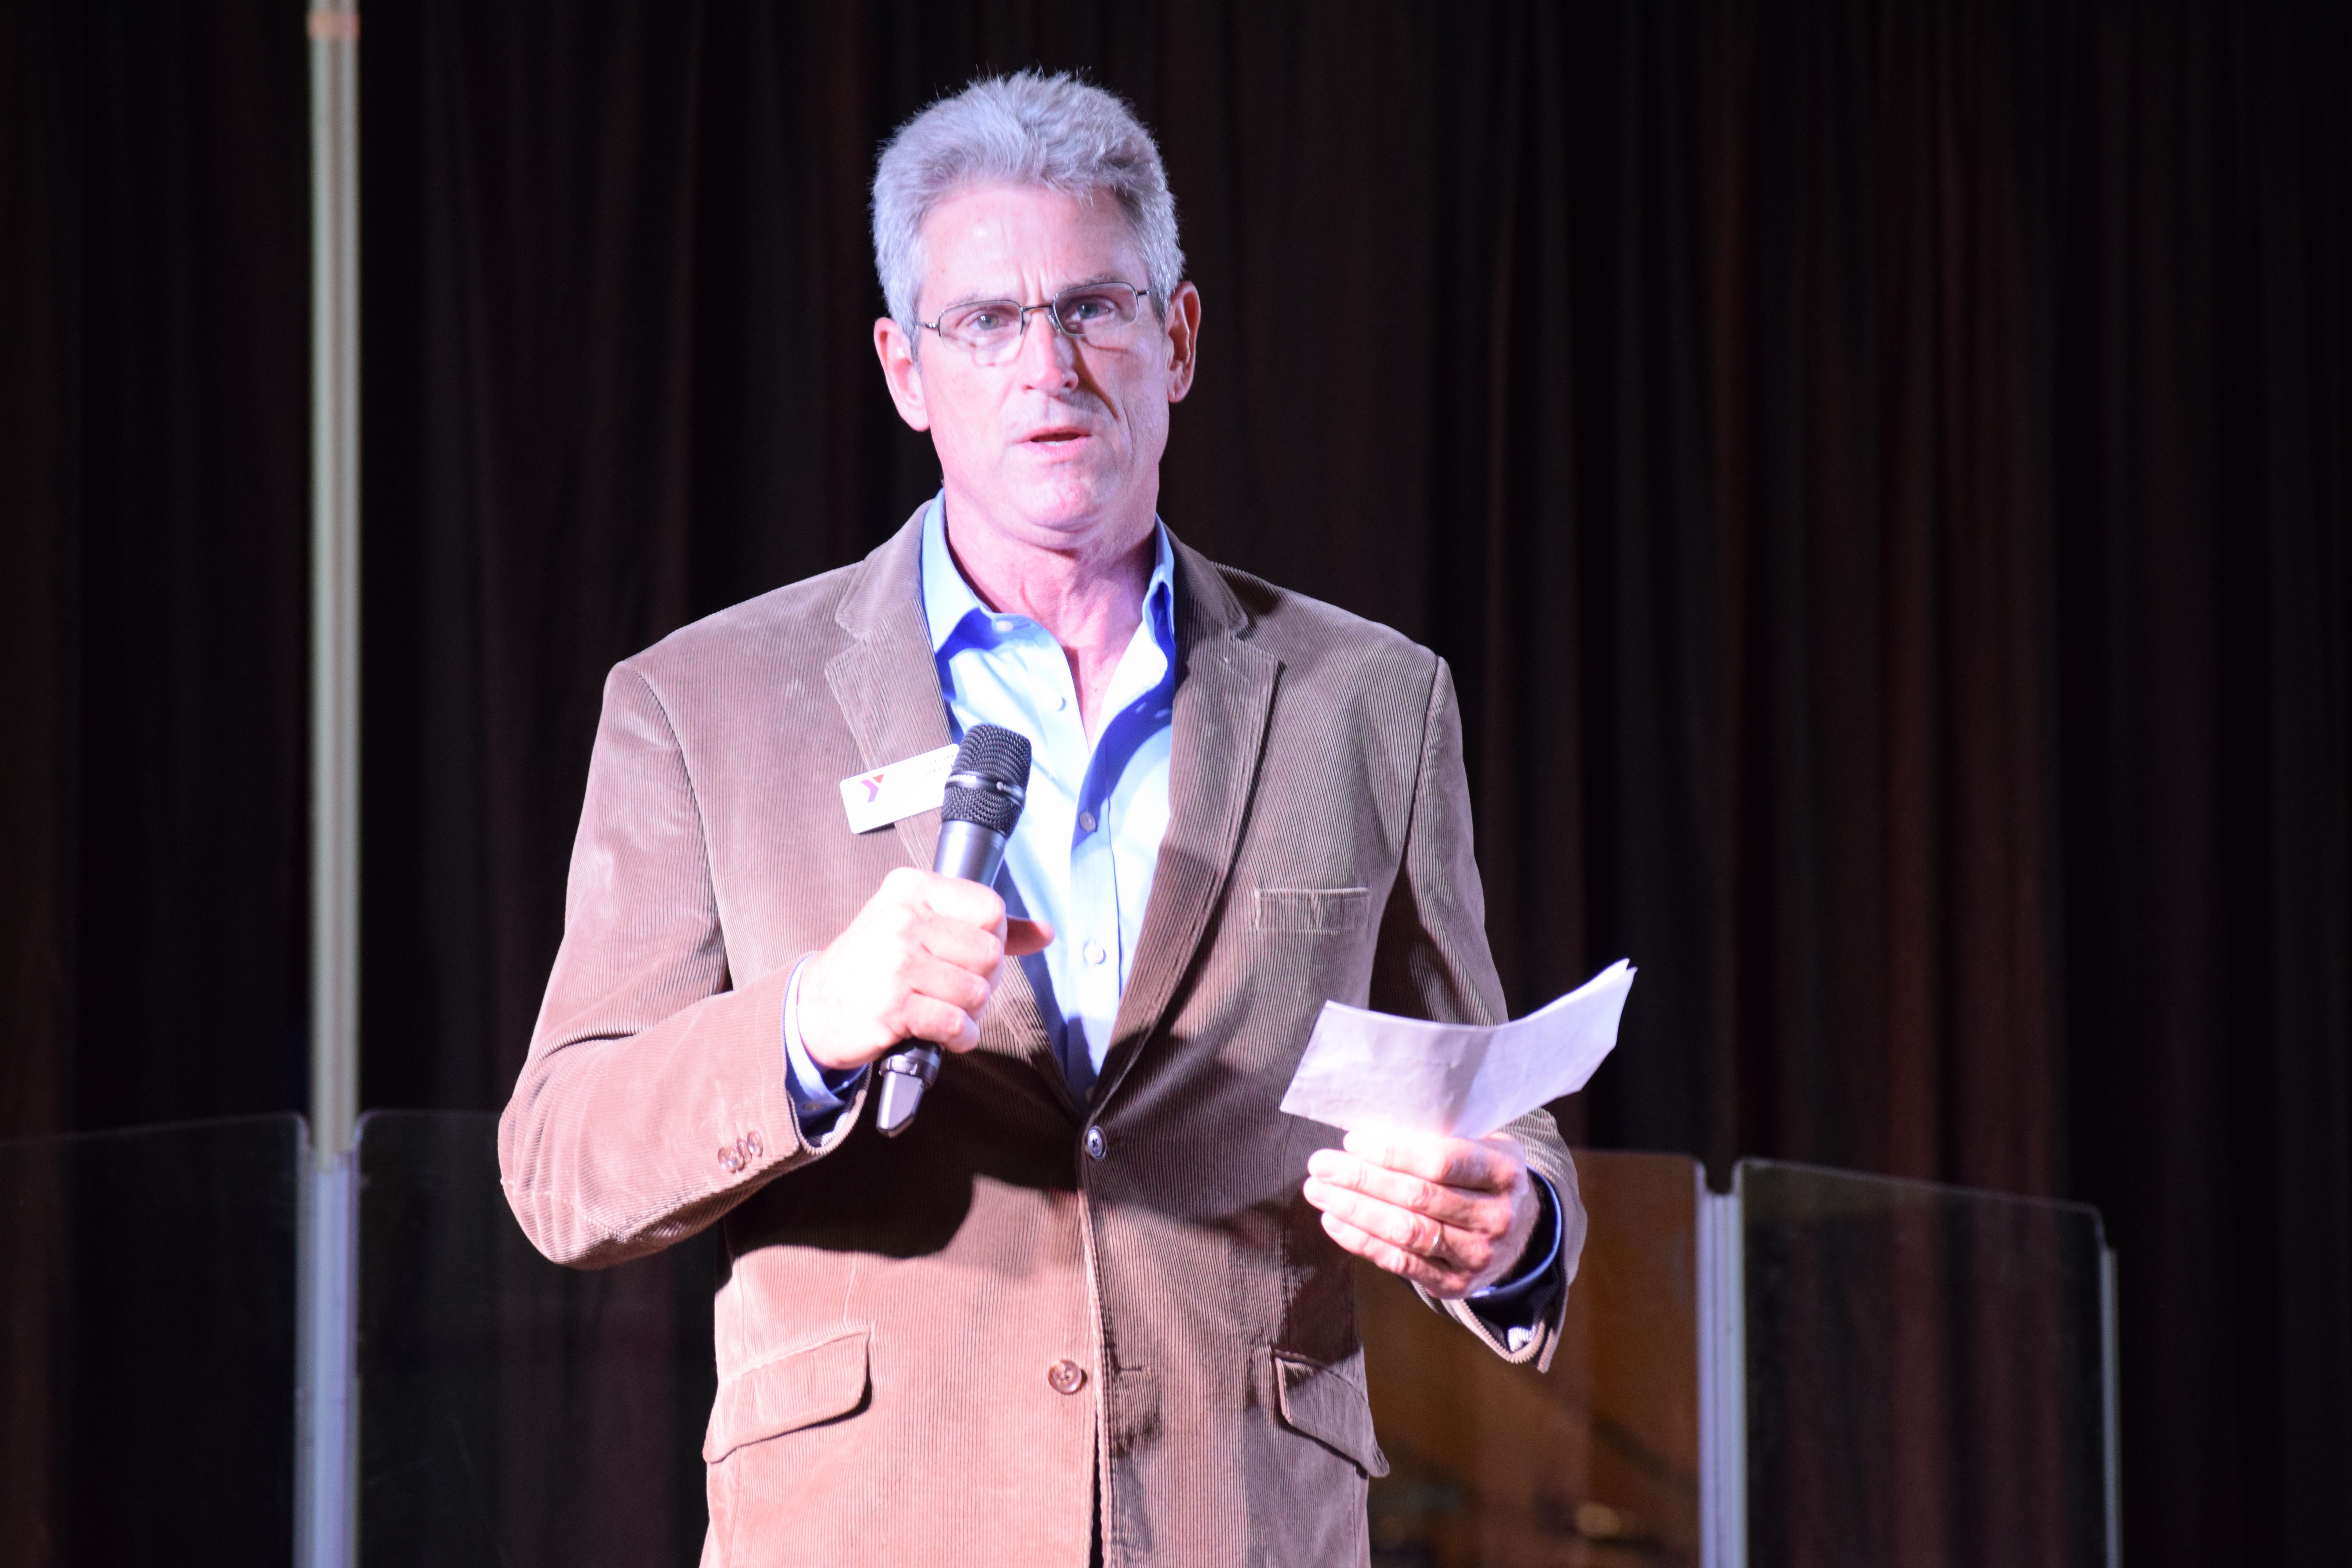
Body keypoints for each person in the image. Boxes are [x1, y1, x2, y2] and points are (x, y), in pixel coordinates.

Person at [499, 71, 1583, 1568]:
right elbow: (562, 1160)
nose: (1049, 367)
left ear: (1178, 339)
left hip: (1243, 1527)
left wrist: (1517, 1227)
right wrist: (811, 1024)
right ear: (905, 369)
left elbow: (1486, 1097)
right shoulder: (703, 704)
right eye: (986, 322)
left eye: (1094, 309)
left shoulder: (1370, 703)